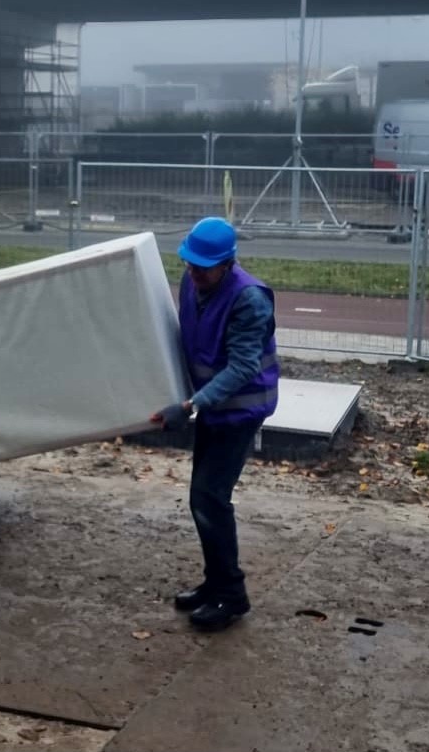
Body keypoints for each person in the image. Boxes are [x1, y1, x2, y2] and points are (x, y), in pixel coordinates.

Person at [151, 217, 279, 633]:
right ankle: (215, 584)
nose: (194, 272)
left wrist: (189, 405)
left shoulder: (249, 299)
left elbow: (242, 366)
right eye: (190, 264)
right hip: (211, 407)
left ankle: (232, 595)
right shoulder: (193, 283)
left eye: (204, 267)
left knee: (210, 499)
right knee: (202, 499)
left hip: (240, 411)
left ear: (227, 263)